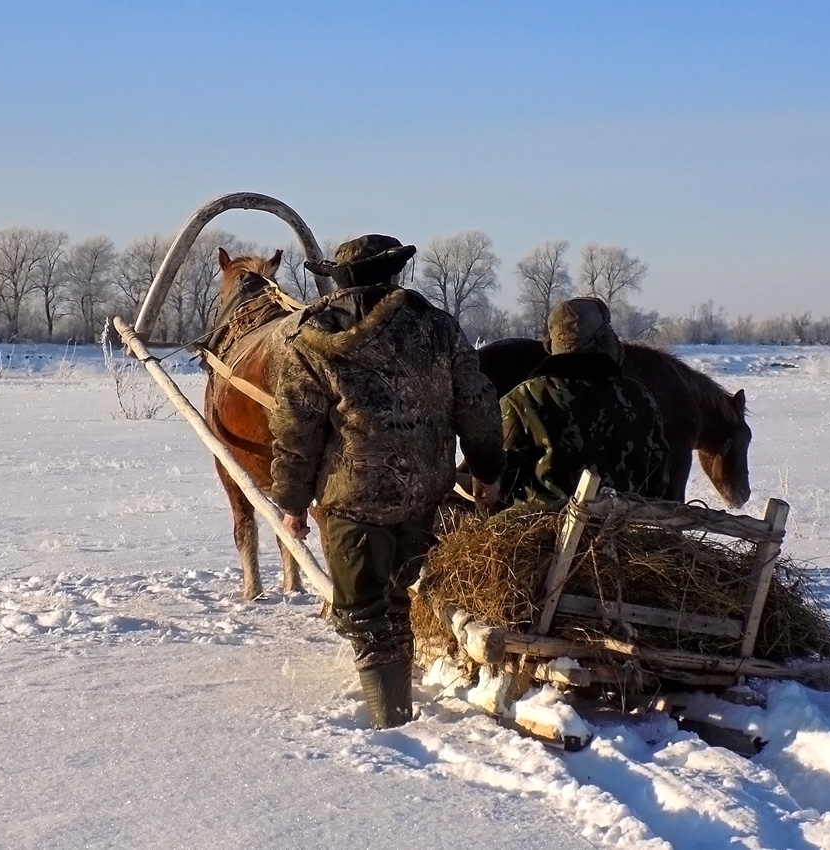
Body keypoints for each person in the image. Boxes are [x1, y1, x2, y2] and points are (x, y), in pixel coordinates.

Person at [268, 234, 504, 729]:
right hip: (424, 491)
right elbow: (477, 404)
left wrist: (291, 501)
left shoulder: (310, 338)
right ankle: (395, 702)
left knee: (364, 609)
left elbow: (295, 429)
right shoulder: (438, 328)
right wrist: (487, 470)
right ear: (395, 273)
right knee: (399, 591)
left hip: (352, 498)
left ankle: (390, 720)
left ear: (340, 279)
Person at [500, 297, 670, 507]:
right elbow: (659, 479)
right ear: (603, 340)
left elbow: (501, 481)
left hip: (542, 526)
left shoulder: (520, 400)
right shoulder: (640, 398)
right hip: (626, 524)